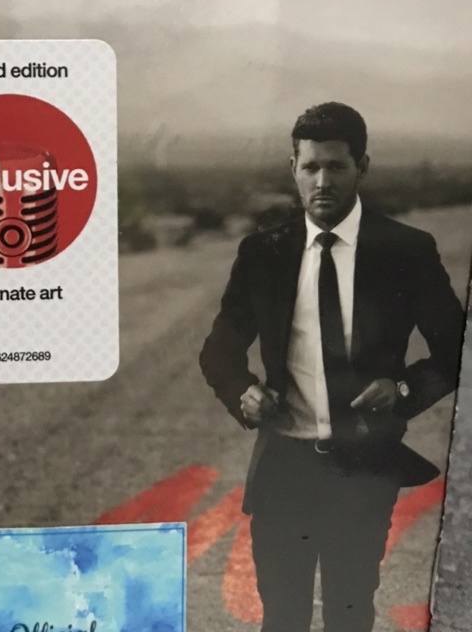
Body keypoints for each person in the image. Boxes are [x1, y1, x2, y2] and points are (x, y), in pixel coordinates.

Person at [199, 102, 464, 632]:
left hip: (362, 469)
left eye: (337, 167)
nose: (322, 181)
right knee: (282, 616)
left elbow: (457, 349)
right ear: (293, 168)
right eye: (311, 167)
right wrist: (242, 391)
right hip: (284, 468)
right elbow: (219, 350)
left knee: (350, 611)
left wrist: (403, 389)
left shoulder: (406, 251)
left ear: (362, 166)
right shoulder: (263, 253)